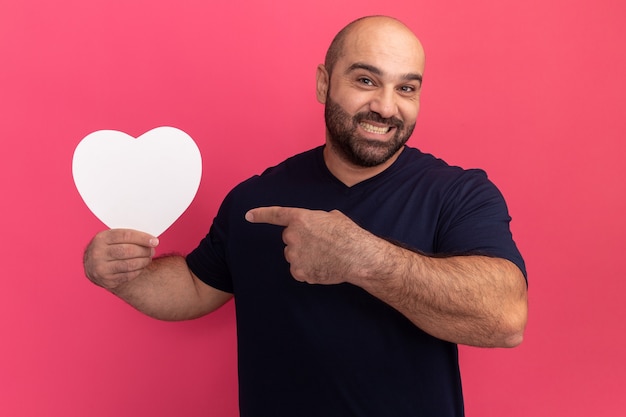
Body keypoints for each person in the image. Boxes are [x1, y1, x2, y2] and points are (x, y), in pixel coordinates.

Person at [83, 15, 528, 417]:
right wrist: (125, 273)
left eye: (406, 88)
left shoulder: (460, 193)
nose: (387, 107)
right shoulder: (255, 198)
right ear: (324, 83)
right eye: (367, 80)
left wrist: (362, 259)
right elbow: (197, 286)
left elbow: (505, 319)